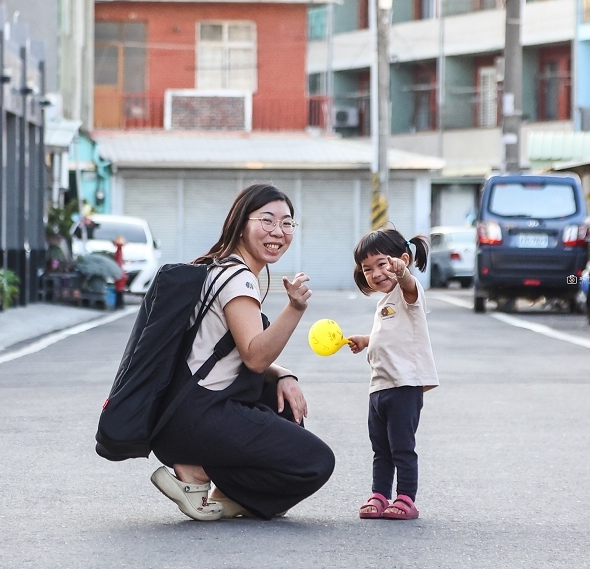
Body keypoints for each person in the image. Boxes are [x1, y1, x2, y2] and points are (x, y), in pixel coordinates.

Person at [149, 183, 335, 521]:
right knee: (316, 462)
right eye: (267, 220)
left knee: (285, 410)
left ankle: (222, 491)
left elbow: (235, 354)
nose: (278, 231)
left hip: (185, 413)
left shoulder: (219, 267)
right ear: (240, 222)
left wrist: (284, 374)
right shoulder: (238, 279)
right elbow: (254, 356)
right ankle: (198, 471)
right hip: (201, 416)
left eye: (287, 222)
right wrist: (294, 308)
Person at [346, 228, 439, 520]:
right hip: (380, 388)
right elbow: (389, 335)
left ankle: (406, 498)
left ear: (402, 260)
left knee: (402, 447)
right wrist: (365, 340)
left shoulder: (409, 292)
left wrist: (402, 273)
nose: (375, 273)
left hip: (404, 385)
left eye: (382, 264)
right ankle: (379, 494)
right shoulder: (383, 303)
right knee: (380, 448)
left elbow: (409, 285)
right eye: (367, 269)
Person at [112, 236, 127, 309]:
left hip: (119, 273)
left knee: (119, 289)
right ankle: (119, 304)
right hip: (119, 273)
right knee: (119, 289)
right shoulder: (119, 251)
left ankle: (119, 304)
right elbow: (119, 263)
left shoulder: (119, 251)